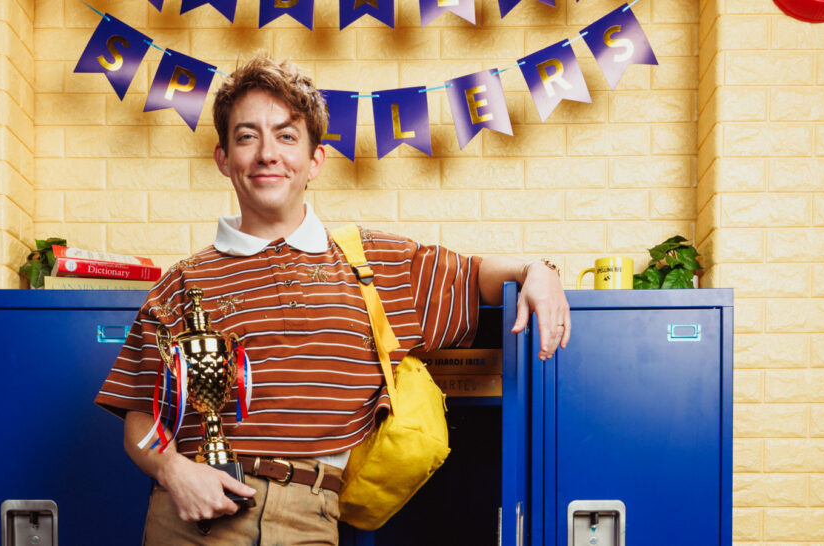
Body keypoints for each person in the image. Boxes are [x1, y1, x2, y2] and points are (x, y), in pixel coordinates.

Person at [94, 54, 570, 545]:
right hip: (194, 522)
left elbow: (475, 277)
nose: (267, 154)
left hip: (311, 517)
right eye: (247, 136)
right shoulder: (181, 283)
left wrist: (536, 271)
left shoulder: (374, 262)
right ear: (223, 158)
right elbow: (140, 414)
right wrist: (173, 470)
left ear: (315, 160)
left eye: (286, 136)